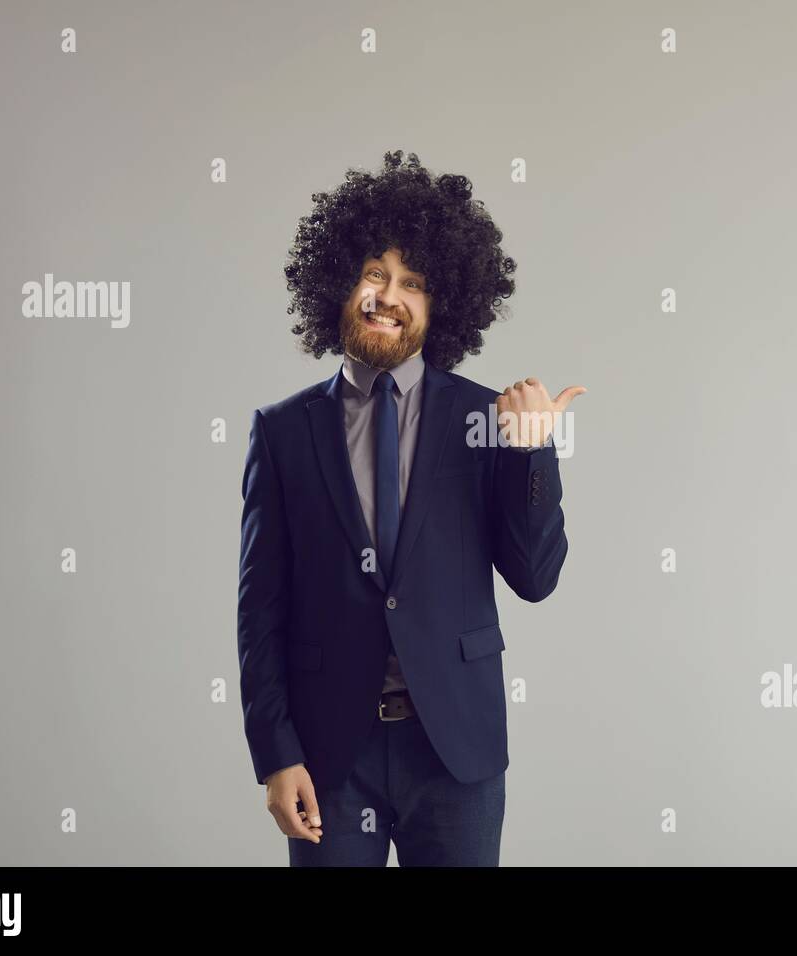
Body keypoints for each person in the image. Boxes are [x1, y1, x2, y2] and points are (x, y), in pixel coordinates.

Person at [237, 149, 585, 865]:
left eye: (413, 283)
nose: (386, 296)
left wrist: (532, 453)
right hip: (329, 758)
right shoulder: (281, 431)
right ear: (339, 282)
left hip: (455, 752)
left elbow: (536, 578)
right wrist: (274, 754)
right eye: (373, 274)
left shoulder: (487, 418)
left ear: (442, 304)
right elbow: (259, 609)